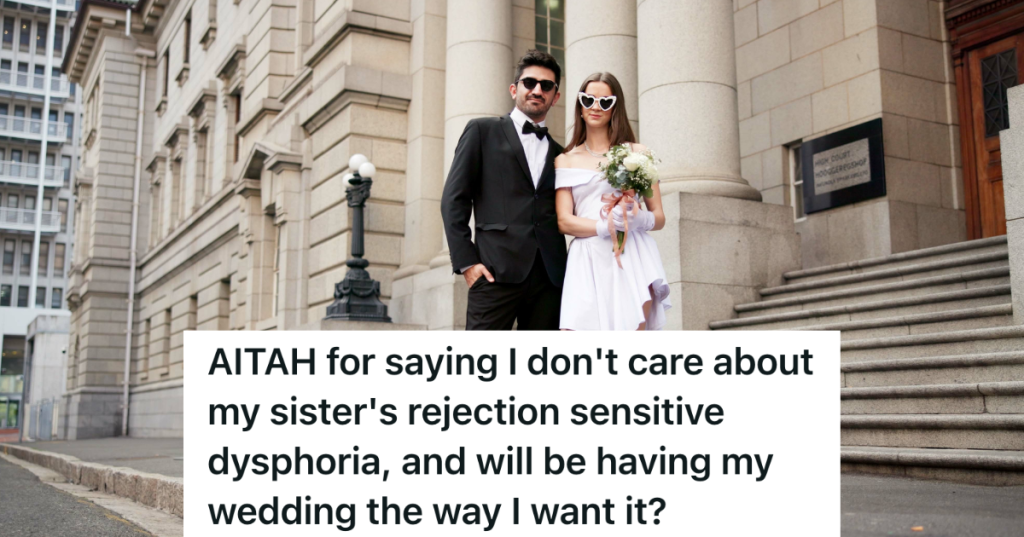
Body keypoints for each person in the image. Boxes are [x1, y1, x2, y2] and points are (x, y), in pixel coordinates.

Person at [440, 50, 567, 330]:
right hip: (494, 272)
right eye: (529, 83)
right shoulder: (482, 131)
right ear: (514, 89)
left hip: (549, 279)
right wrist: (467, 263)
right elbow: (454, 200)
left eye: (546, 86)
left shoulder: (562, 154)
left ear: (555, 96)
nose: (537, 90)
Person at [554, 72, 671, 330]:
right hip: (586, 258)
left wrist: (639, 218)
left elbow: (659, 217)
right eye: (589, 100)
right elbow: (563, 221)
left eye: (605, 102)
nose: (596, 107)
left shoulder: (637, 153)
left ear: (615, 107)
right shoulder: (565, 159)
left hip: (631, 252)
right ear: (580, 105)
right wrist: (603, 226)